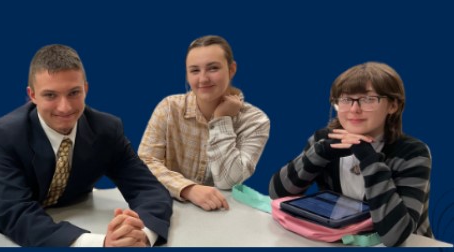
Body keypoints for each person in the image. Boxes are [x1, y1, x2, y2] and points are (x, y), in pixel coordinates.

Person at [0, 44, 172, 247]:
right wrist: (101, 243)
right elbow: (17, 213)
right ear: (32, 95)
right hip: (0, 232)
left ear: (85, 88)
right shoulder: (5, 135)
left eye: (73, 93)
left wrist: (142, 234)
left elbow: (148, 189)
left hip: (73, 214)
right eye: (50, 95)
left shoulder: (107, 130)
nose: (65, 107)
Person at [268, 62, 432, 246]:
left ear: (393, 105)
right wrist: (319, 153)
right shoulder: (324, 139)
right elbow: (277, 193)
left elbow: (395, 235)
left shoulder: (413, 153)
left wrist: (368, 158)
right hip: (340, 241)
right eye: (346, 100)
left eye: (368, 99)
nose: (354, 109)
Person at [138, 35, 270, 211]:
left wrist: (222, 120)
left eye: (213, 68)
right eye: (194, 71)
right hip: (168, 208)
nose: (203, 79)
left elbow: (227, 181)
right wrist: (188, 189)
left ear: (232, 69)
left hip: (222, 214)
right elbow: (144, 163)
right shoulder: (169, 108)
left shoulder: (255, 121)